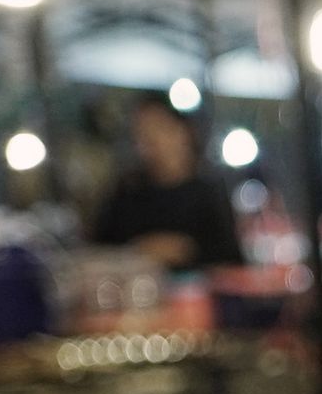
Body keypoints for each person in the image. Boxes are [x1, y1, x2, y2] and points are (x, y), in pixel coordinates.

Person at [90, 96, 244, 271]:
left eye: (159, 128)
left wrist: (185, 252)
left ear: (184, 131)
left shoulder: (209, 194)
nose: (152, 140)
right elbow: (96, 251)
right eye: (141, 133)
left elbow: (232, 262)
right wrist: (137, 250)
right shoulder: (127, 194)